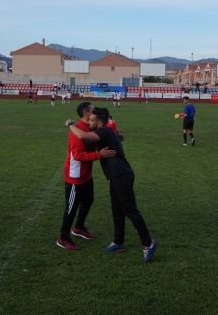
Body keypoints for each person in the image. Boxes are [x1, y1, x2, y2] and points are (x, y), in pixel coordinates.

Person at [66, 107, 157, 263]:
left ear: (100, 123)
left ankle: (148, 243)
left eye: (92, 120)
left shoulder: (103, 132)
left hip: (122, 176)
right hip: (116, 177)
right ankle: (118, 242)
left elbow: (82, 135)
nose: (89, 121)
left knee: (130, 210)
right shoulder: (106, 132)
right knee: (117, 210)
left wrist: (70, 124)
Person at [57, 102, 116, 251]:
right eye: (93, 109)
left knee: (88, 200)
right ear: (87, 113)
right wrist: (99, 155)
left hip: (86, 174)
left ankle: (78, 227)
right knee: (71, 207)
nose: (96, 110)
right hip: (75, 176)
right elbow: (77, 155)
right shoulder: (77, 130)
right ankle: (63, 238)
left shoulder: (91, 127)